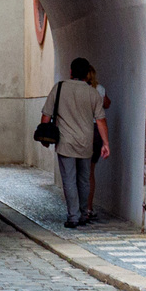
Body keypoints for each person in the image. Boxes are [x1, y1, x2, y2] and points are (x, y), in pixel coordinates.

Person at [40, 57, 109, 227]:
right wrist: (106, 143)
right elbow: (100, 120)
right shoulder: (92, 92)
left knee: (69, 180)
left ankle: (73, 217)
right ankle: (84, 214)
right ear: (87, 74)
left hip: (65, 142)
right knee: (84, 179)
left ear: (71, 72)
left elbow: (46, 116)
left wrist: (44, 135)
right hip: (86, 142)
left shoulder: (59, 88)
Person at [85, 66, 112, 216]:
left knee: (76, 171)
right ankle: (88, 208)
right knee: (90, 171)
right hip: (95, 132)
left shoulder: (79, 89)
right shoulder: (99, 89)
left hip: (80, 130)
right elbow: (107, 103)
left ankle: (78, 208)